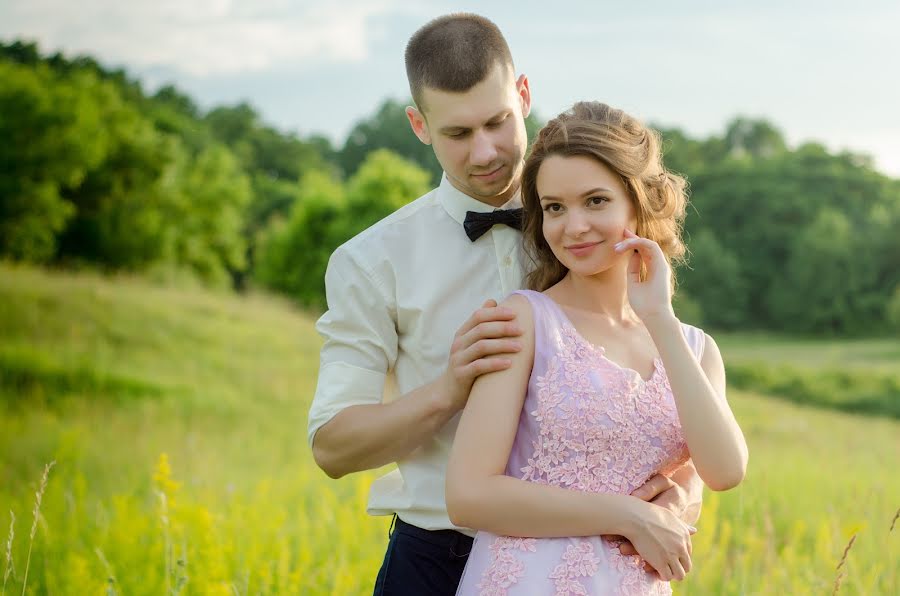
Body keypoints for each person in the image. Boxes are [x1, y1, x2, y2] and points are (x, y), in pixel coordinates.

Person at [308, 14, 705, 596]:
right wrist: (446, 390)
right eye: (458, 134)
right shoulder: (370, 262)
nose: (486, 151)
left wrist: (681, 493)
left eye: (497, 122)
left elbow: (660, 397)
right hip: (436, 559)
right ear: (420, 126)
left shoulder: (597, 231)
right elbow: (332, 446)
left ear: (523, 94)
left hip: (598, 561)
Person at [446, 101, 749, 594]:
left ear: (639, 202)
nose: (573, 227)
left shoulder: (694, 347)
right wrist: (628, 516)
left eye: (596, 201)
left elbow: (725, 470)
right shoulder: (525, 320)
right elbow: (468, 495)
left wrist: (660, 319)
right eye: (554, 208)